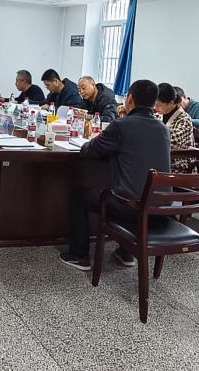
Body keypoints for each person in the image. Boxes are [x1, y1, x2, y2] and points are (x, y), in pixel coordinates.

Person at [60, 79, 171, 270]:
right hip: (160, 210)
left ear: (130, 98)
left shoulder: (121, 125)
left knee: (79, 195)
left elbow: (88, 151)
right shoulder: (163, 129)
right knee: (133, 186)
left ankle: (78, 255)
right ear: (154, 103)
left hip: (133, 209)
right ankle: (125, 253)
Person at [155, 84, 197, 174]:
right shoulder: (159, 115)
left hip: (179, 164)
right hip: (163, 157)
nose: (155, 108)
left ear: (171, 103)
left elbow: (172, 142)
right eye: (155, 104)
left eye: (159, 105)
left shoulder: (184, 119)